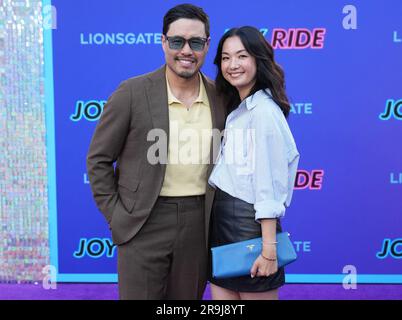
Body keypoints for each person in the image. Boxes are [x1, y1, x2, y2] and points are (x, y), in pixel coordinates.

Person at [86, 4, 225, 300]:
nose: (186, 50)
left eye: (196, 42)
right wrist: (117, 216)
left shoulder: (220, 97)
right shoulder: (132, 93)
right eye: (177, 41)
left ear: (207, 46)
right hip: (143, 222)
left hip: (199, 224)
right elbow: (98, 160)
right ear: (163, 42)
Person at [208, 26, 300, 300]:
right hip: (222, 224)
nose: (232, 65)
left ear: (258, 59)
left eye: (241, 56)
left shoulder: (263, 112)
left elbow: (267, 185)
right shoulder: (240, 110)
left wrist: (269, 249)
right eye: (225, 58)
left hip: (250, 228)